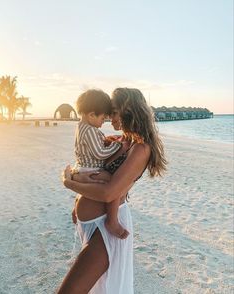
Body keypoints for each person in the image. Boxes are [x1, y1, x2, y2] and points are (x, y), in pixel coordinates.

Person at [58, 88, 167, 294]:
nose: (109, 116)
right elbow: (89, 165)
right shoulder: (119, 140)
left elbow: (109, 193)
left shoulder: (141, 149)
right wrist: (78, 198)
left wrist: (69, 183)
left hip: (106, 229)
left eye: (114, 112)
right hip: (90, 224)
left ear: (129, 112)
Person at [72, 89, 129, 239]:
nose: (103, 122)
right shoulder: (90, 130)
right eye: (103, 118)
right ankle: (112, 221)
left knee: (90, 187)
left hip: (82, 167)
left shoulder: (81, 127)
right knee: (113, 183)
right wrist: (117, 146)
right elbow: (99, 153)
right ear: (91, 114)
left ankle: (76, 204)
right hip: (90, 167)